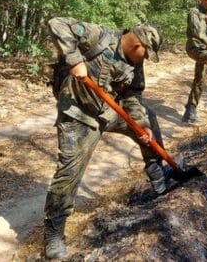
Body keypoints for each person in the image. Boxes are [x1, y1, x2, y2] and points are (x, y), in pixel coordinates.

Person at [44, 17, 175, 259]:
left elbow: (134, 96)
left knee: (150, 120)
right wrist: (74, 59)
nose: (144, 61)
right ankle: (53, 234)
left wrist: (142, 127)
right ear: (138, 46)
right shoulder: (98, 36)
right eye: (146, 55)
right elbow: (56, 23)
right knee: (69, 171)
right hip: (78, 114)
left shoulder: (135, 66)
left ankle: (157, 174)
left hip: (107, 112)